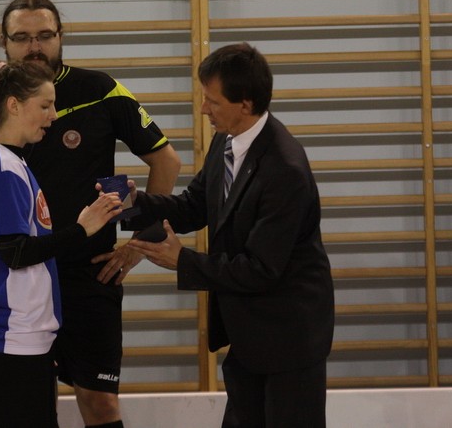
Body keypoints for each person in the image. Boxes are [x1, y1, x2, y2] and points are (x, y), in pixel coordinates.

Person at [0, 0, 181, 427]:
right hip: (20, 285)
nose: (34, 46)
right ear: (4, 42)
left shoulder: (100, 89)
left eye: (44, 35)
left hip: (90, 276)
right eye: (22, 37)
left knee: (100, 403)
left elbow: (166, 162)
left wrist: (137, 246)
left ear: (61, 36)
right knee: (33, 403)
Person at [124, 43, 335, 427]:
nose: (203, 109)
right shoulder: (227, 140)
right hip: (249, 334)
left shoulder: (284, 169)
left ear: (245, 104)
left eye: (213, 101)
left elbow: (260, 269)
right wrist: (132, 205)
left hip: (288, 338)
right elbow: (194, 205)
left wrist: (182, 261)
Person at [0, 60, 124, 427]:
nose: (54, 116)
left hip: (11, 332)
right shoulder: (3, 167)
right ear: (14, 105)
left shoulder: (1, 160)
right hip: (11, 333)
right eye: (45, 105)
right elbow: (15, 251)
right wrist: (81, 229)